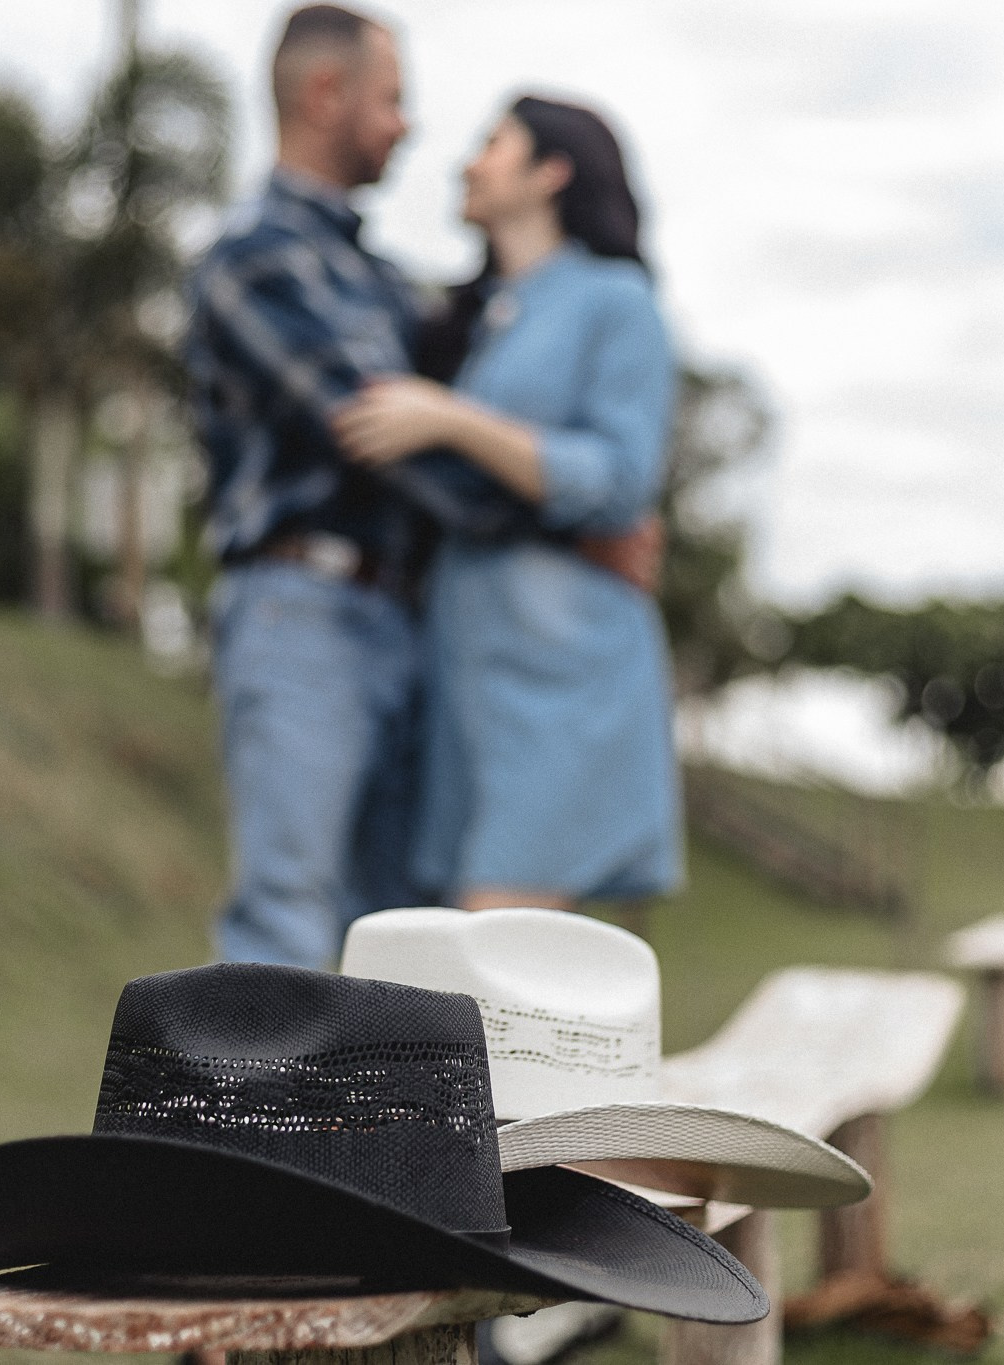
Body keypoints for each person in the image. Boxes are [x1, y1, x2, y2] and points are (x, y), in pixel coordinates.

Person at [184, 6, 517, 968]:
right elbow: (386, 437)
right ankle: (259, 1083)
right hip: (303, 609)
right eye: (392, 100)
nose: (408, 126)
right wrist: (550, 501)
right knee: (287, 915)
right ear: (326, 94)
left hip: (408, 616)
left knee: (404, 933)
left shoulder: (377, 279)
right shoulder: (253, 260)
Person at [332, 96, 682, 913]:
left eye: (493, 144)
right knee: (462, 949)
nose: (469, 163)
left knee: (496, 945)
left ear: (550, 173)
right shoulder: (482, 319)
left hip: (563, 680)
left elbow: (620, 479)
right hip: (465, 683)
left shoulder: (617, 301)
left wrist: (452, 419)